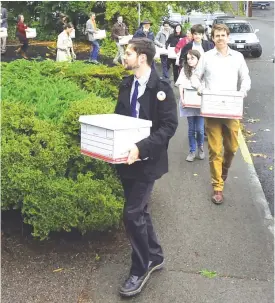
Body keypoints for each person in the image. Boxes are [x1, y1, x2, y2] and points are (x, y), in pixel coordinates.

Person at [114, 37, 178, 297]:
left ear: (142, 57)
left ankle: (140, 268)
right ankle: (155, 254)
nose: (124, 57)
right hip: (125, 161)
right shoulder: (126, 83)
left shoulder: (161, 87)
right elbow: (118, 118)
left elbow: (169, 127)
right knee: (140, 212)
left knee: (131, 214)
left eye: (128, 53)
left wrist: (141, 147)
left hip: (147, 161)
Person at [191, 23, 251, 204]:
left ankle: (224, 169)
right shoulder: (206, 58)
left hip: (232, 110)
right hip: (212, 110)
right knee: (215, 150)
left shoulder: (238, 57)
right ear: (213, 38)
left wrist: (243, 91)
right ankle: (217, 186)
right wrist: (200, 89)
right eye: (217, 35)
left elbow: (245, 78)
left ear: (228, 37)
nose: (220, 38)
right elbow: (195, 76)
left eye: (223, 35)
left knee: (232, 148)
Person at [175, 50, 205, 162]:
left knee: (200, 130)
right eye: (188, 58)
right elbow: (181, 85)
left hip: (201, 104)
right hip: (188, 103)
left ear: (198, 59)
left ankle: (200, 147)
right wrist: (182, 99)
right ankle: (192, 151)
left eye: (192, 58)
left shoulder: (203, 70)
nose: (189, 61)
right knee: (191, 129)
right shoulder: (184, 70)